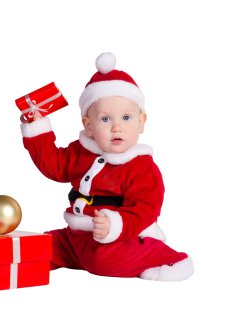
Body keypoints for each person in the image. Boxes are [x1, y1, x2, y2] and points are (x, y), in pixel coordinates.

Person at [20, 52, 194, 281]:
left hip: (117, 239)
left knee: (104, 261)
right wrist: (37, 128)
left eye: (126, 118)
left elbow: (146, 209)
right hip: (75, 238)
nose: (116, 127)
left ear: (141, 122)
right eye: (105, 119)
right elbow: (54, 165)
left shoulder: (141, 166)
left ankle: (162, 256)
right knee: (37, 249)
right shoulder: (81, 151)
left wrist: (115, 224)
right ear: (88, 126)